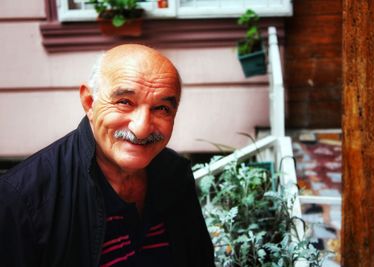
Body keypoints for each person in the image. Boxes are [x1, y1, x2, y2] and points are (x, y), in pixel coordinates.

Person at [0, 44, 215, 267]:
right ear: (89, 102)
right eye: (124, 102)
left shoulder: (174, 173)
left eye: (161, 108)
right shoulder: (21, 199)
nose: (141, 129)